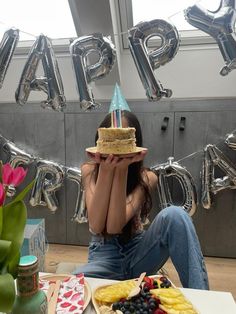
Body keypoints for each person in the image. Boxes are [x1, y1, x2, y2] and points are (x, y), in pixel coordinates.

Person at [73, 110, 209, 290]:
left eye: (122, 139)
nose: (116, 146)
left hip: (140, 254)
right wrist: (106, 170)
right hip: (104, 257)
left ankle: (201, 296)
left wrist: (121, 170)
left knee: (175, 215)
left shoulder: (147, 177)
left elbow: (115, 225)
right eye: (112, 138)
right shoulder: (89, 170)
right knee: (71, 288)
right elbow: (97, 226)